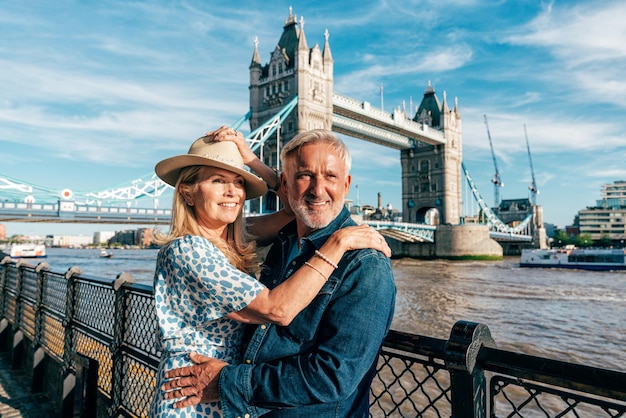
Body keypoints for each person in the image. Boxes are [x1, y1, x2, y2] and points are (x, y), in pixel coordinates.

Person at [150, 126, 391, 417]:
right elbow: (277, 309)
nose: (233, 192)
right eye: (217, 180)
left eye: (239, 183)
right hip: (192, 395)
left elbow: (297, 207)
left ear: (347, 184)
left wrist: (252, 160)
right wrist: (338, 241)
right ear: (187, 193)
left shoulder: (235, 239)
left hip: (224, 395)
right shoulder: (189, 251)